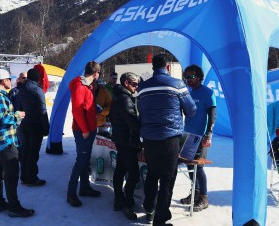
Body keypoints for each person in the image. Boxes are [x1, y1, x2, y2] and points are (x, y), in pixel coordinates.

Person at [137, 53, 196, 226]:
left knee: (152, 174)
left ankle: (149, 208)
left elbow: (141, 110)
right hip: (170, 139)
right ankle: (160, 220)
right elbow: (191, 110)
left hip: (149, 138)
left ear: (153, 67)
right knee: (168, 178)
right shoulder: (177, 84)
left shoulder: (142, 87)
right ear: (167, 67)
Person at [0, 68, 34, 218]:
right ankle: (14, 206)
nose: (11, 82)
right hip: (4, 141)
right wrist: (17, 115)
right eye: (9, 79)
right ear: (4, 81)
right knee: (11, 174)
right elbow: (4, 119)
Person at [176, 64, 217, 212]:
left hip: (200, 137)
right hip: (187, 135)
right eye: (186, 76)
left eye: (191, 76)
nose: (188, 79)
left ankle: (204, 198)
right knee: (189, 166)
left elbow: (212, 116)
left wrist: (208, 135)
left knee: (198, 167)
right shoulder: (188, 92)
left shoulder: (207, 93)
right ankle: (195, 194)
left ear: (199, 77)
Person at [67, 61, 102, 207]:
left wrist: (95, 108)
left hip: (89, 128)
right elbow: (77, 110)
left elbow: (85, 105)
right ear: (95, 74)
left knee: (85, 159)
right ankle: (71, 192)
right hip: (83, 131)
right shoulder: (80, 86)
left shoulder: (87, 87)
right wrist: (85, 130)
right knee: (81, 160)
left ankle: (85, 187)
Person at [109, 72, 141, 220]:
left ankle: (118, 199)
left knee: (120, 170)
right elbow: (132, 122)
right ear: (126, 83)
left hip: (120, 139)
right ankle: (127, 203)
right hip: (127, 141)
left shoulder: (118, 95)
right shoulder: (124, 98)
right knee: (133, 173)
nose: (137, 86)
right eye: (134, 84)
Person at [18, 69, 49, 186]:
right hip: (36, 124)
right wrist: (46, 127)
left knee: (26, 150)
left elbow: (21, 107)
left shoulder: (22, 88)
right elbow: (42, 110)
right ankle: (31, 177)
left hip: (25, 123)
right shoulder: (37, 89)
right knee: (33, 152)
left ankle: (24, 177)